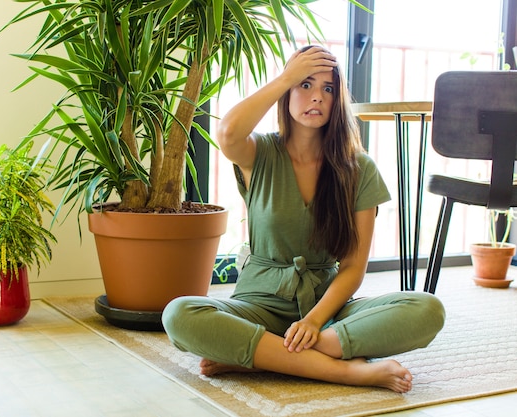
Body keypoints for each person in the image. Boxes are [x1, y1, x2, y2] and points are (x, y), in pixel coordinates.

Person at [162, 45, 445, 393]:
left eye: (328, 89)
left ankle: (262, 357)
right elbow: (228, 132)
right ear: (288, 91)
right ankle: (344, 372)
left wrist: (313, 322)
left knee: (427, 309)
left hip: (326, 311)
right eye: (305, 85)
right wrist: (285, 77)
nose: (317, 97)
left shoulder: (360, 169)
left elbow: (354, 268)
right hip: (257, 307)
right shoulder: (259, 154)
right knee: (179, 314)